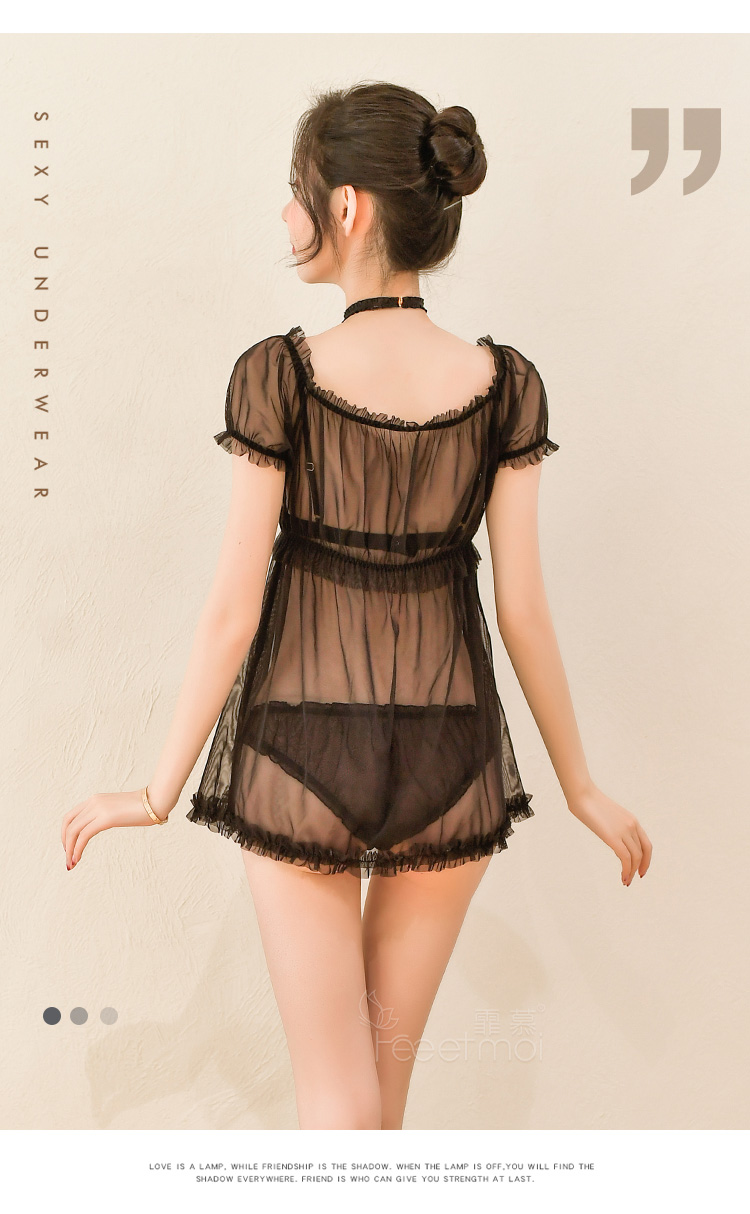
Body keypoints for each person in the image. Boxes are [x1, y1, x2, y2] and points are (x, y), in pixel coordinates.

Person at [61, 81, 652, 1131]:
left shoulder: (279, 376)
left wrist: (155, 791)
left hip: (299, 747)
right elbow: (523, 610)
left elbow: (233, 610)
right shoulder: (507, 386)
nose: (285, 216)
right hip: (454, 749)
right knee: (382, 1099)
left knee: (336, 1101)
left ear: (346, 207)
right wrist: (581, 785)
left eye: (296, 192)